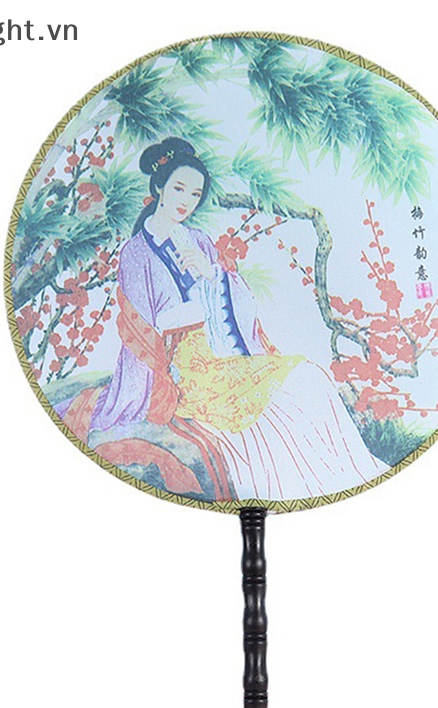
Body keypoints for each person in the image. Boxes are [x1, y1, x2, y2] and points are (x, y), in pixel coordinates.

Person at [86, 137, 387, 501]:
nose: (185, 200)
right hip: (184, 369)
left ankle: (348, 474)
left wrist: (213, 275)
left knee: (309, 377)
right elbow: (143, 329)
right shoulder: (136, 253)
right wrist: (195, 308)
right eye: (178, 188)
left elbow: (241, 299)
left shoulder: (198, 240)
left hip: (221, 351)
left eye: (195, 194)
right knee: (278, 405)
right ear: (159, 186)